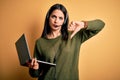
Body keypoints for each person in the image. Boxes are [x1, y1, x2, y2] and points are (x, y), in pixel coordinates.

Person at [28, 3, 105, 80]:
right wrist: (34, 68)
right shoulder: (40, 42)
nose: (56, 21)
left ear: (64, 21)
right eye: (53, 17)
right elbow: (35, 74)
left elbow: (101, 24)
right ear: (48, 18)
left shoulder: (74, 35)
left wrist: (83, 24)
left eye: (60, 18)